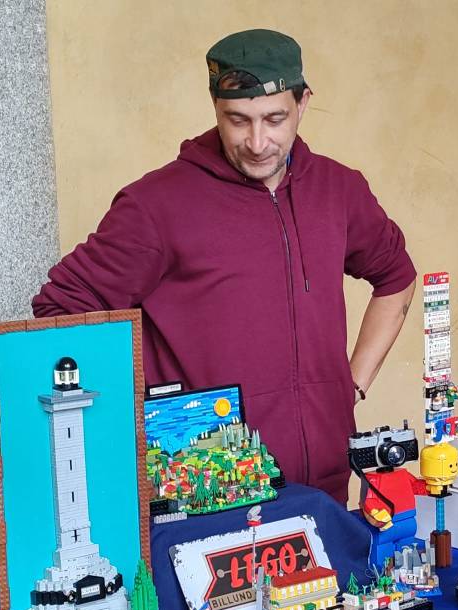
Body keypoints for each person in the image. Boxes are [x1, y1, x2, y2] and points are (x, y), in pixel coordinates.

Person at [32, 29, 416, 505]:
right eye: (238, 120)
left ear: (303, 103)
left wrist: (349, 387)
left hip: (326, 487)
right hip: (211, 494)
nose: (257, 142)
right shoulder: (157, 205)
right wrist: (153, 422)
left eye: (274, 119)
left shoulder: (340, 191)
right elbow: (61, 310)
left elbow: (396, 277)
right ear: (215, 107)